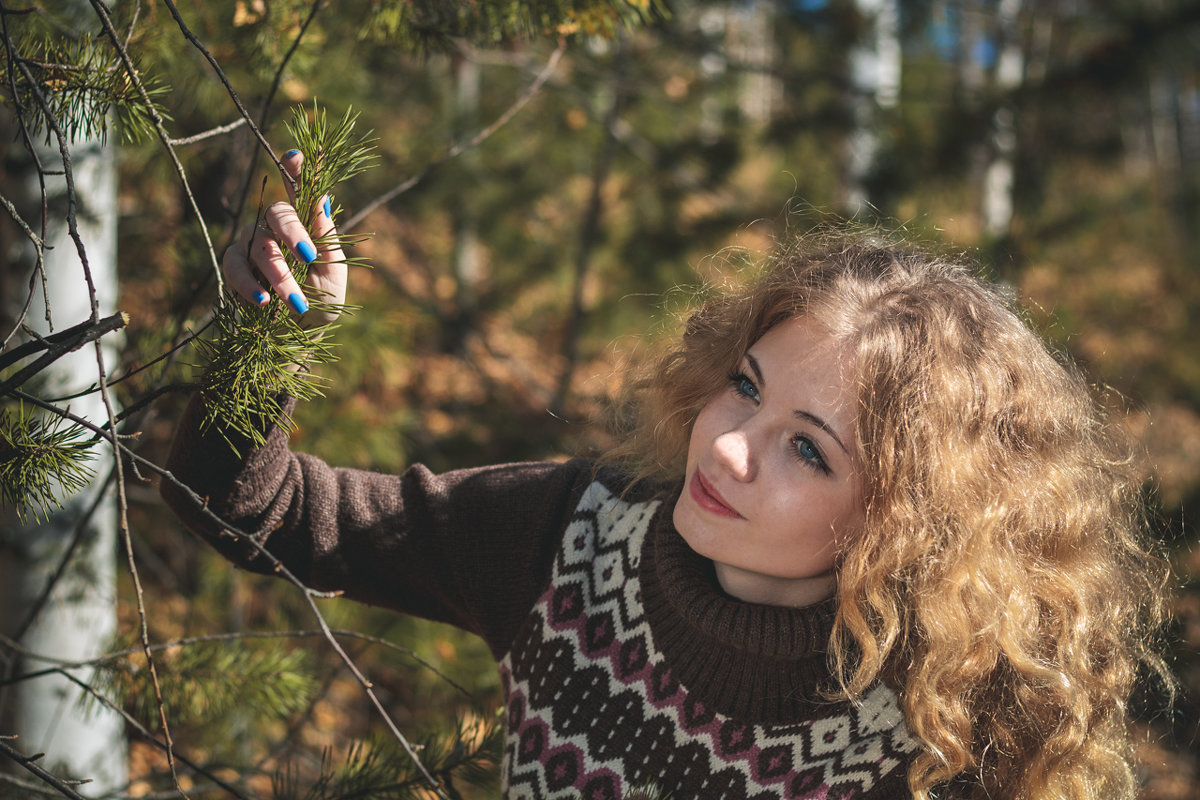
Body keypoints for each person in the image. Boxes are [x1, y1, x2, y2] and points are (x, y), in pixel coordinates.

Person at [162, 151, 1172, 800]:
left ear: (911, 523)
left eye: (808, 446)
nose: (729, 444)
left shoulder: (940, 739)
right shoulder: (572, 541)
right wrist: (268, 345)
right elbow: (258, 510)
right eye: (744, 386)